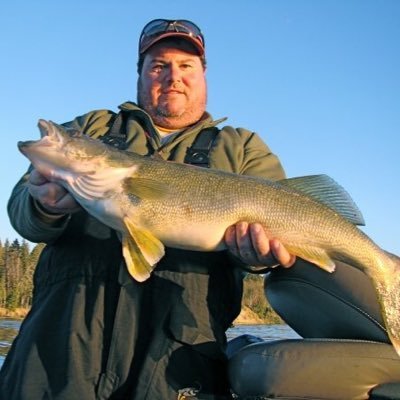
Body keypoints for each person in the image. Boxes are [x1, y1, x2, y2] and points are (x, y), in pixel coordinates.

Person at [0, 19, 295, 399]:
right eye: (158, 66)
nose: (173, 77)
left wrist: (257, 256)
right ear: (140, 75)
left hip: (177, 356)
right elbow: (22, 214)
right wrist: (44, 205)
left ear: (203, 76)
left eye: (186, 66)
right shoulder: (93, 126)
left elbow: (273, 251)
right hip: (58, 348)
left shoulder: (242, 148)